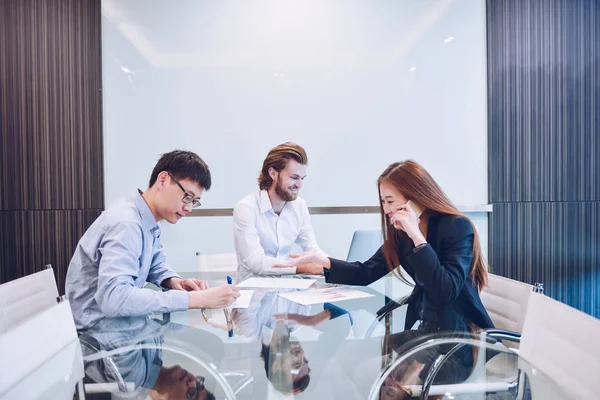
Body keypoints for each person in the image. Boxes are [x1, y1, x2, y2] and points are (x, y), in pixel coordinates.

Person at [276, 160, 494, 385]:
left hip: (457, 345)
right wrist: (324, 261)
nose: (387, 209)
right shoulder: (402, 235)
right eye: (383, 202)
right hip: (426, 334)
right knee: (350, 355)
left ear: (416, 197)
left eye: (390, 201)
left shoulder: (457, 227)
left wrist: (417, 237)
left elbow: (445, 290)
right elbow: (366, 272)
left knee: (370, 374)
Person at [66, 150, 239, 331]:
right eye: (187, 197)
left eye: (194, 201)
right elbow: (114, 298)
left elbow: (154, 264)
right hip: (98, 338)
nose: (188, 208)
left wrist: (172, 281)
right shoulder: (127, 223)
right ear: (163, 180)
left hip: (122, 327)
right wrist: (196, 299)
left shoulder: (148, 218)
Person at [233, 142, 326, 275]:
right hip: (253, 291)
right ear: (273, 173)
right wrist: (302, 268)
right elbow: (256, 263)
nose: (299, 184)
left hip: (288, 288)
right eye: (294, 177)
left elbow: (312, 250)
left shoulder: (299, 206)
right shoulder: (246, 208)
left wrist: (335, 265)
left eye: (302, 178)